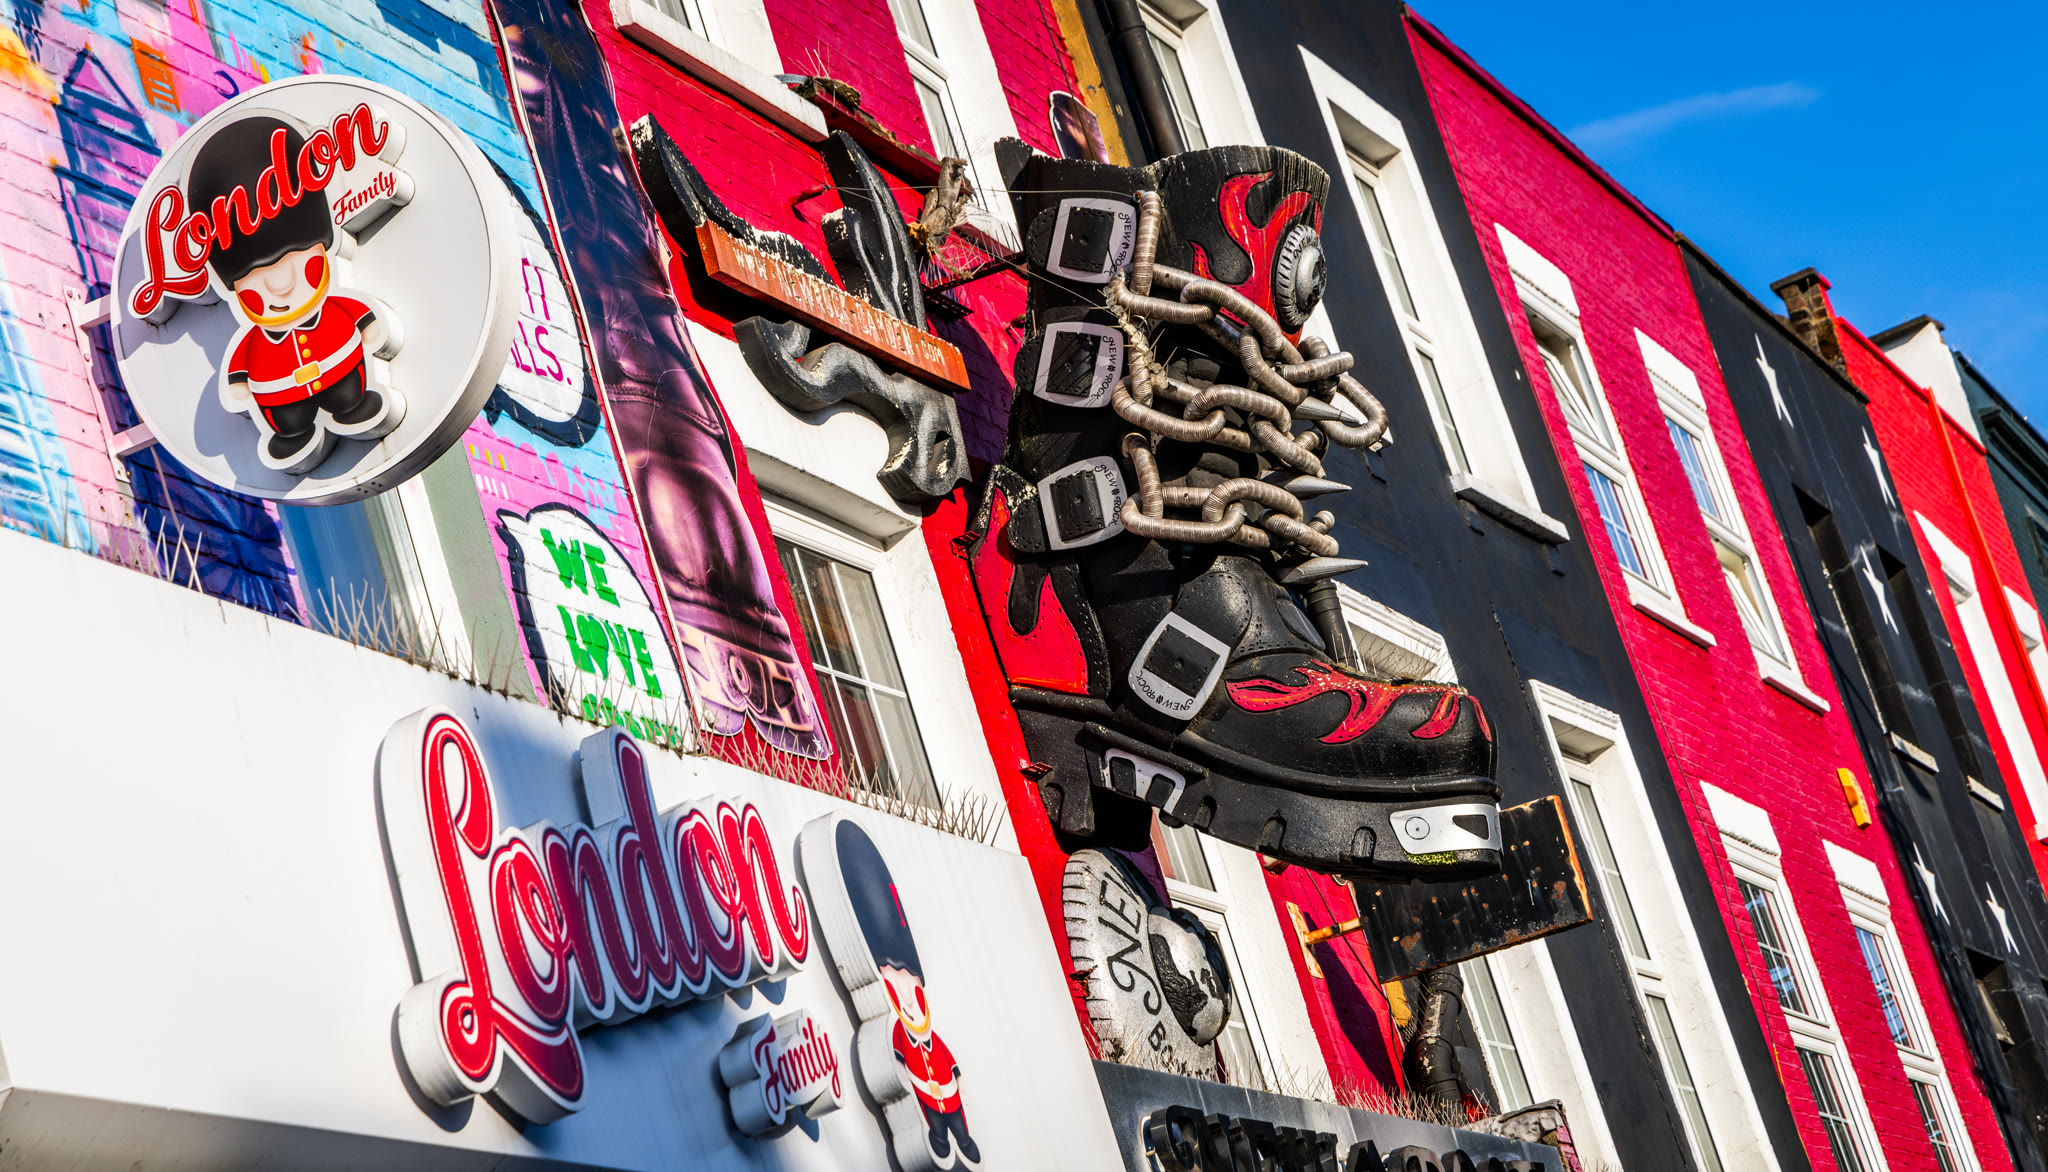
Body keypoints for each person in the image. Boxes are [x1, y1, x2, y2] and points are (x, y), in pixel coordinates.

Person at [188, 115, 403, 473]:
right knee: (289, 419)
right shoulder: (253, 338)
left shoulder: (332, 303)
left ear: (321, 247)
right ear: (234, 286)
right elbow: (241, 363)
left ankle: (352, 405)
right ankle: (292, 434)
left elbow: (355, 311)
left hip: (341, 367)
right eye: (255, 278)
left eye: (297, 261)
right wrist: (240, 382)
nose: (280, 285)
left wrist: (368, 326)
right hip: (279, 393)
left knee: (347, 394)